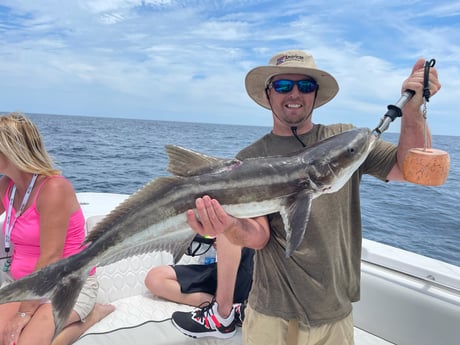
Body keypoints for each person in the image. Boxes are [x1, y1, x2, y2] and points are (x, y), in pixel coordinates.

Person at [183, 50, 441, 345]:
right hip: (273, 313)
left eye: (305, 86)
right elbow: (258, 237)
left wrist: (413, 111)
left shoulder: (346, 140)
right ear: (269, 94)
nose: (294, 93)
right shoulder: (250, 159)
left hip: (336, 313)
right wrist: (228, 225)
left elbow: (414, 170)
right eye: (283, 86)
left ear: (315, 94)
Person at [0, 113, 114, 345]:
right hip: (21, 283)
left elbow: (50, 258)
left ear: (9, 151)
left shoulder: (54, 189)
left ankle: (91, 317)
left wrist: (23, 314)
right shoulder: (7, 185)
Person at [145, 233, 254, 339]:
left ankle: (223, 311)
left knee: (229, 234)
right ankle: (230, 309)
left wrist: (230, 243)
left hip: (253, 267)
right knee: (154, 278)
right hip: (224, 271)